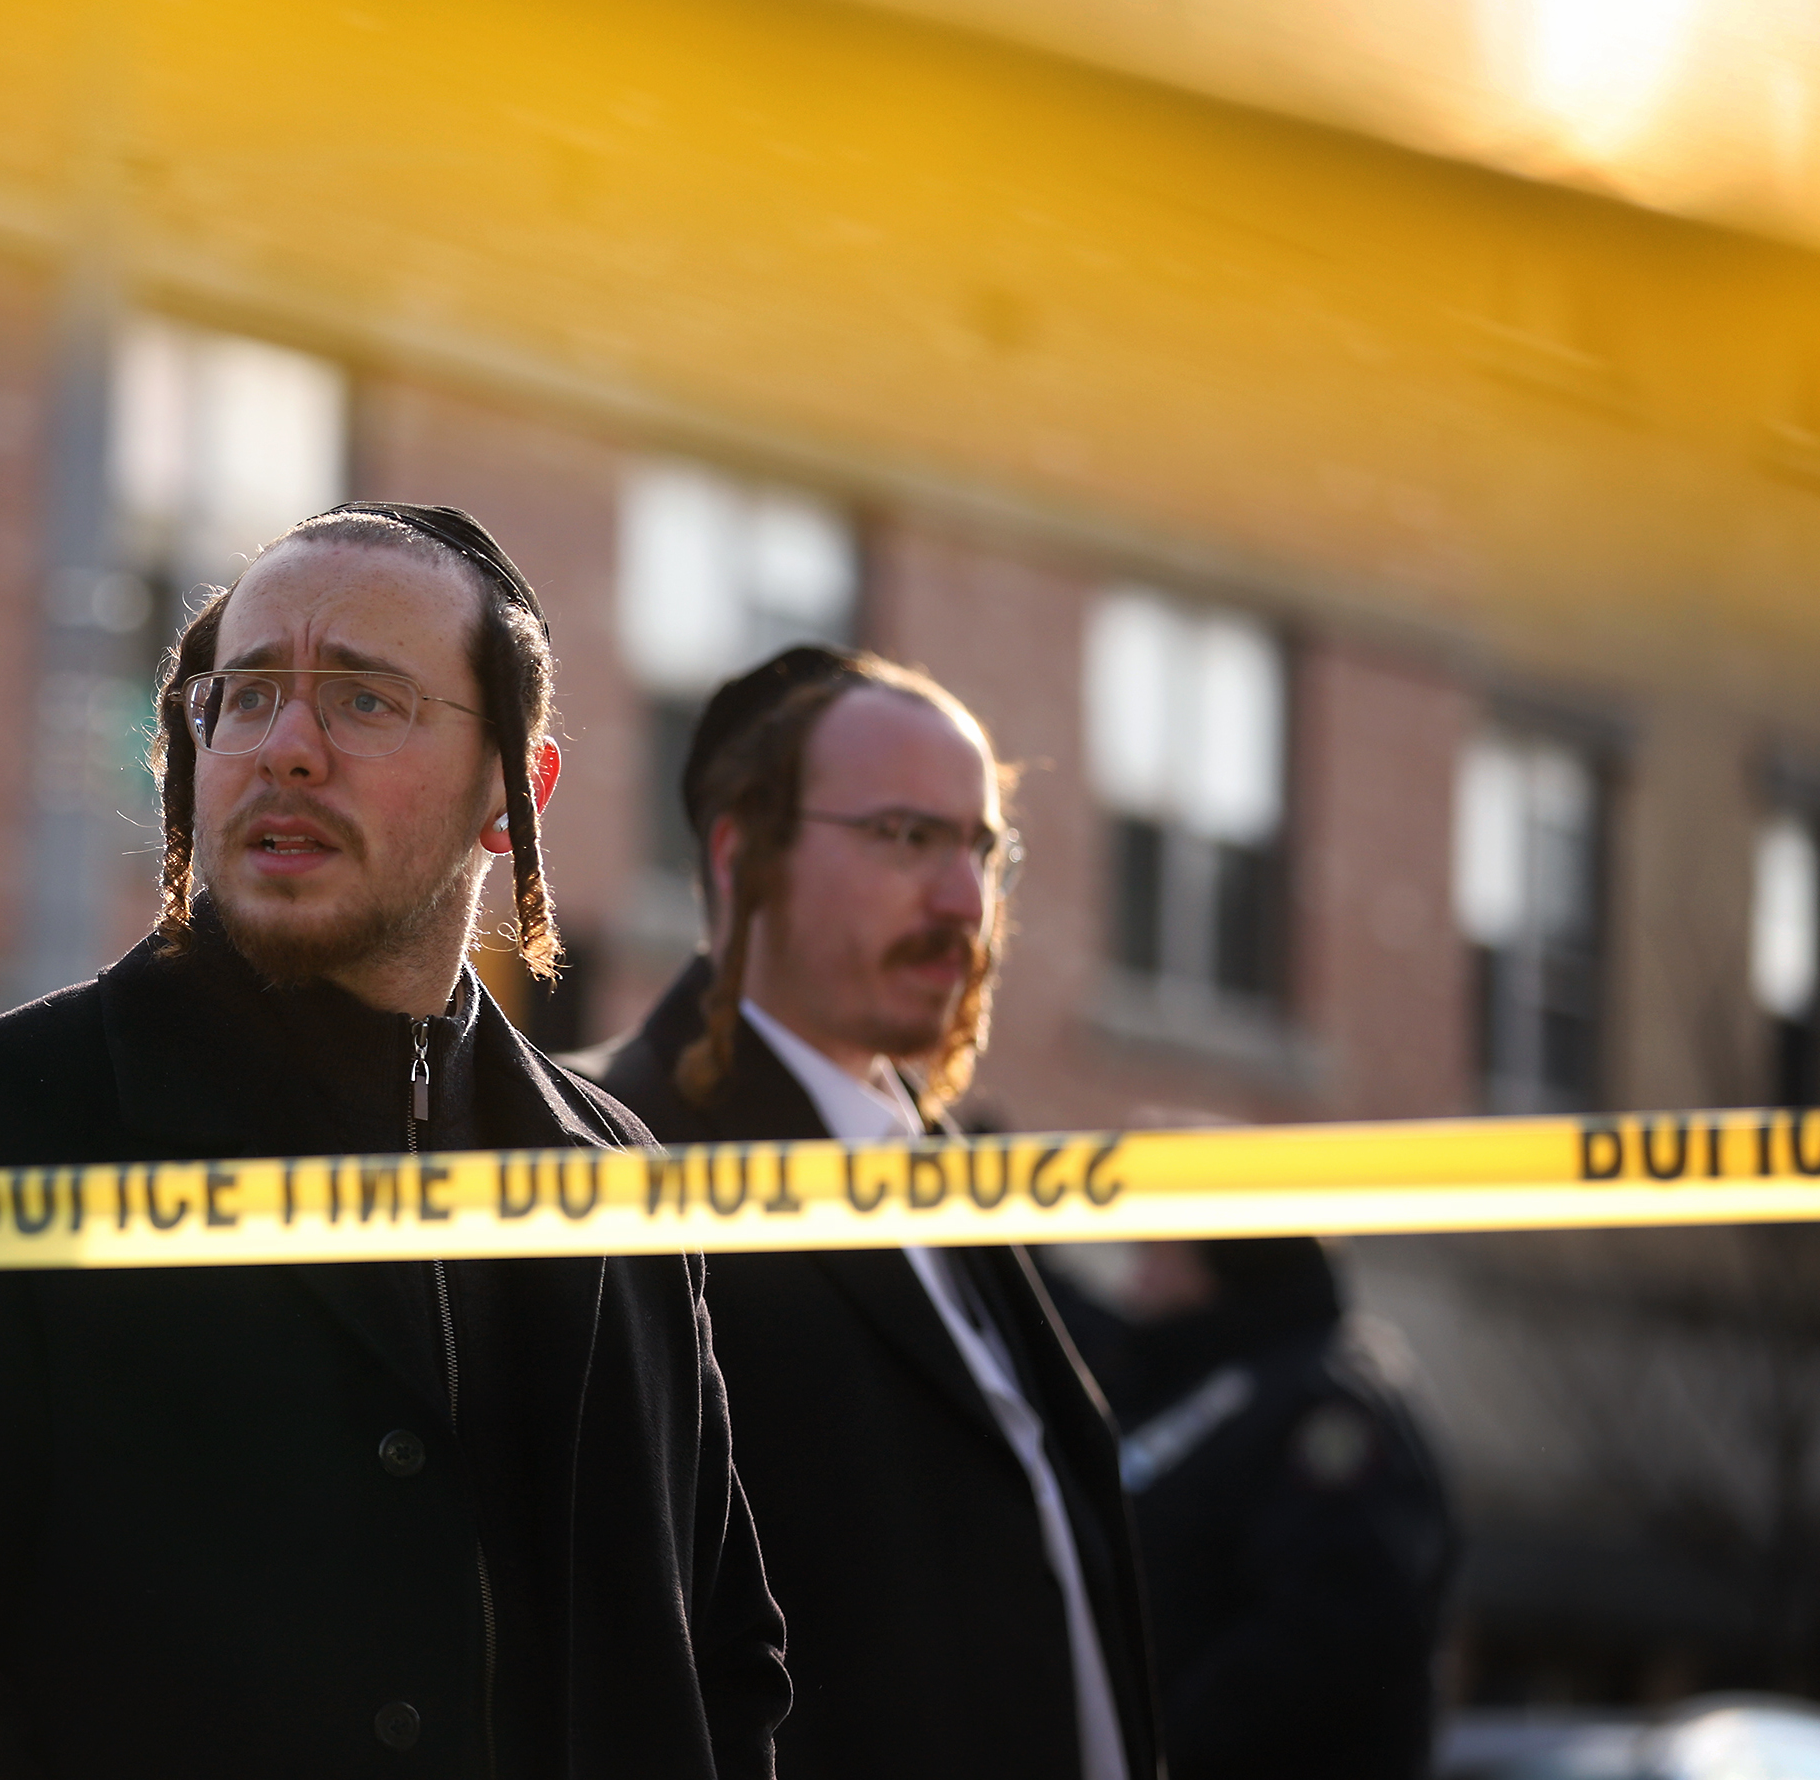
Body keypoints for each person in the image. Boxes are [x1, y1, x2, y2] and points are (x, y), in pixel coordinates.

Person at [0, 504, 789, 1779]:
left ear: (516, 790)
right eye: (244, 699)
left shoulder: (619, 1183)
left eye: (364, 701)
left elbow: (723, 1667)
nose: (285, 749)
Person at [569, 645, 1161, 1780]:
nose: (963, 902)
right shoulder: (609, 1161)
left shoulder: (943, 1177)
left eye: (983, 848)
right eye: (904, 837)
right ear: (744, 858)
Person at [1059, 1236, 1457, 1780]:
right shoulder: (1200, 1377)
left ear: (1222, 1267)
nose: (1136, 1281)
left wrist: (1162, 1739)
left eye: (1158, 1259)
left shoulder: (1328, 1396)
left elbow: (1336, 1626)